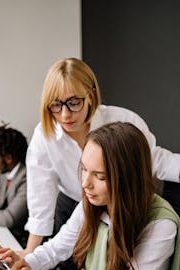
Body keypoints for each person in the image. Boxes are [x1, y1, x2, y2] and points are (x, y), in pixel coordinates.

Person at [0, 122, 180, 270]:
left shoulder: (160, 225)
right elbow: (58, 246)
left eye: (99, 176)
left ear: (129, 178)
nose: (85, 183)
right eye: (84, 169)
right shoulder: (94, 203)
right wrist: (27, 261)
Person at [23, 57, 180, 257]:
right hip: (76, 207)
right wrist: (29, 252)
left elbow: (156, 160)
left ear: (91, 94)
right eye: (55, 105)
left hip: (122, 206)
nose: (64, 115)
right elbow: (41, 197)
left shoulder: (123, 120)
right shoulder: (44, 137)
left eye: (73, 102)